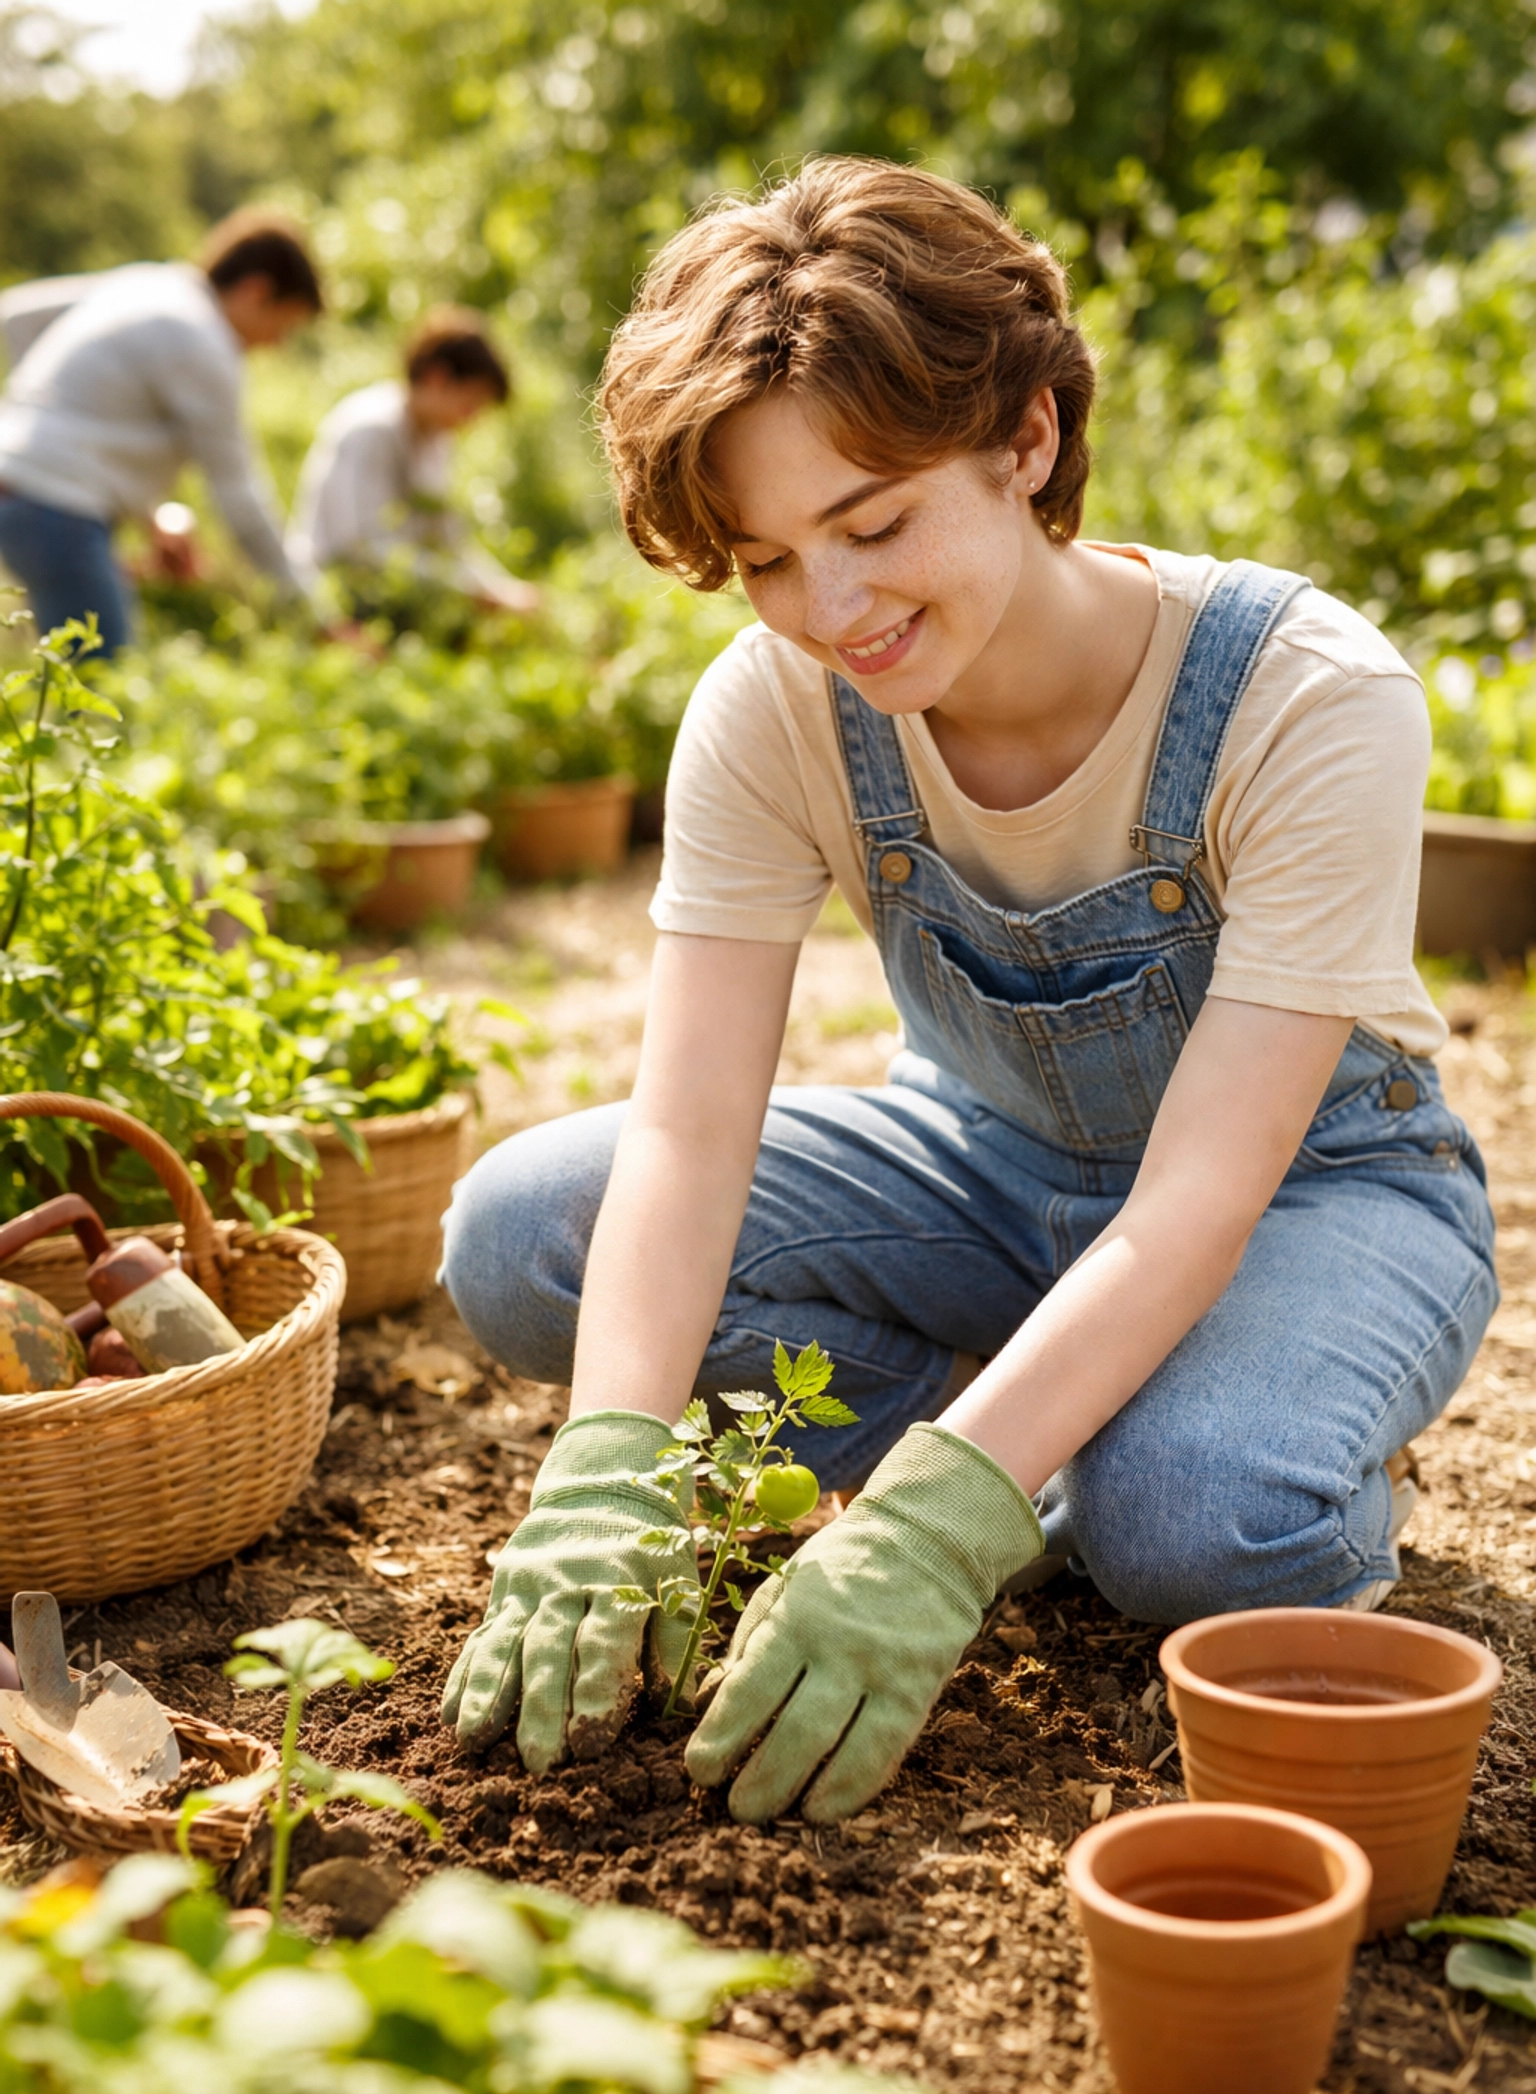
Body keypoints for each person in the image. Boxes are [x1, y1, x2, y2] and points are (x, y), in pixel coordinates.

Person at [437, 159, 1497, 1827]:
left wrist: (931, 1522)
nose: (831, 609)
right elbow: (692, 1125)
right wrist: (605, 1463)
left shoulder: (1305, 696)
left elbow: (1201, 1195)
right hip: (984, 1167)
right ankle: (1035, 1438)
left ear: (1027, 441)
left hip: (1308, 1194)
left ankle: (1092, 1457)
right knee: (522, 1238)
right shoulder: (773, 706)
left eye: (871, 524)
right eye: (769, 559)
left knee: (1198, 1525)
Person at [0, 209, 323, 655]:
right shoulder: (204, 341)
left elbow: (16, 317)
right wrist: (313, 611)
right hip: (56, 510)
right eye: (283, 325)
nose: (275, 344)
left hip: (20, 487)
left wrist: (34, 430)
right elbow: (240, 497)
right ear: (256, 291)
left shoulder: (150, 284)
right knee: (101, 691)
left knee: (70, 677)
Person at [286, 306, 539, 614]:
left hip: (397, 595)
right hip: (331, 595)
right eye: (469, 403)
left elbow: (447, 538)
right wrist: (471, 590)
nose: (471, 419)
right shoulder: (371, 427)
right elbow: (360, 548)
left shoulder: (435, 440)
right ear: (437, 378)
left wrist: (501, 588)